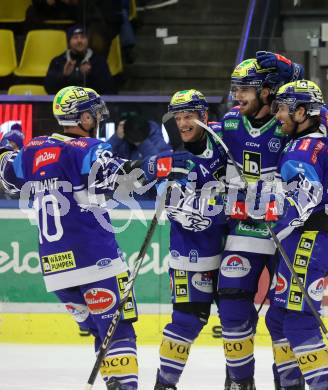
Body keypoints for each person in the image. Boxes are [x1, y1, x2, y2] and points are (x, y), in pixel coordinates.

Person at [0, 85, 189, 390]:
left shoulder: (34, 149)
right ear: (84, 117)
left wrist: (9, 143)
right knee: (119, 331)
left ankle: (114, 383)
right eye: (95, 113)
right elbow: (125, 178)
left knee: (103, 333)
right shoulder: (87, 148)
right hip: (95, 260)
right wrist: (158, 165)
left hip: (55, 268)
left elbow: (6, 174)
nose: (98, 119)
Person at [216, 53, 305, 390]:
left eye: (246, 88)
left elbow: (319, 128)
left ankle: (289, 382)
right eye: (235, 87)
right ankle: (239, 381)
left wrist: (291, 69)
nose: (237, 95)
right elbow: (205, 157)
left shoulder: (290, 122)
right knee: (232, 306)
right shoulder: (228, 124)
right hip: (246, 228)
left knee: (284, 315)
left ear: (268, 91)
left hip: (286, 231)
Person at [264, 80, 328, 390]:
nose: (276, 115)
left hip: (307, 242)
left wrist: (266, 208)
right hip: (303, 243)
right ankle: (289, 384)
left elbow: (301, 203)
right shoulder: (325, 136)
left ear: (300, 112)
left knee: (299, 323)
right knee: (278, 319)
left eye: (282, 109)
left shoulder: (299, 151)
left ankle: (321, 385)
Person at [153, 89, 228, 389]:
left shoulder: (224, 140)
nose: (183, 123)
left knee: (236, 320)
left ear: (204, 117)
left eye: (190, 116)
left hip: (232, 246)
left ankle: (237, 381)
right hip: (189, 252)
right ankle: (165, 384)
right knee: (186, 320)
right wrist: (179, 206)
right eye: (178, 117)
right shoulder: (170, 158)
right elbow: (166, 203)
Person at [45, 25, 115, 95]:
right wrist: (64, 75)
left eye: (83, 37)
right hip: (65, 103)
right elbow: (49, 89)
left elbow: (109, 90)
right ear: (69, 42)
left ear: (88, 40)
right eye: (75, 38)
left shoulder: (99, 61)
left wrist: (90, 75)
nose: (79, 41)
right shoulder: (58, 61)